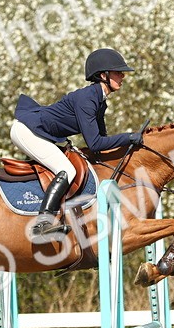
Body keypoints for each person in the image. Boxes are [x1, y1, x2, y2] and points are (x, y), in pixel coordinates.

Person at [10, 48, 140, 241]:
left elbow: (102, 141)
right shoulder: (88, 99)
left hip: (38, 132)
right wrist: (128, 137)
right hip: (27, 131)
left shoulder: (99, 101)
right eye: (118, 72)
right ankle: (42, 224)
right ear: (103, 75)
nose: (123, 76)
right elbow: (95, 144)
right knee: (67, 170)